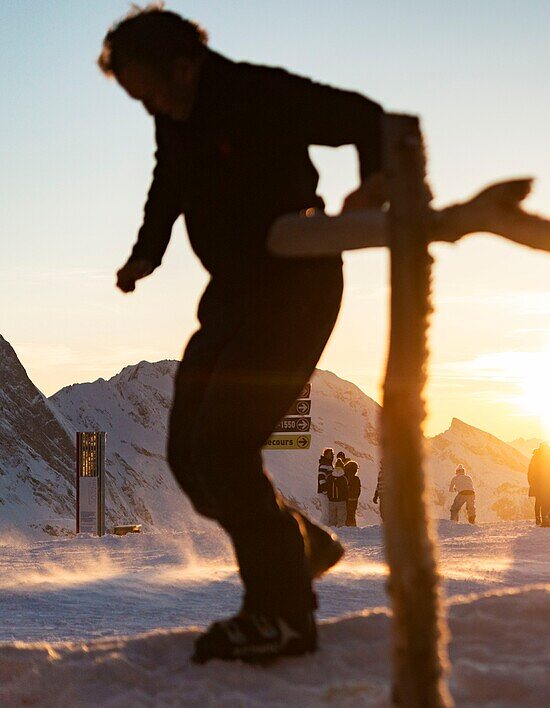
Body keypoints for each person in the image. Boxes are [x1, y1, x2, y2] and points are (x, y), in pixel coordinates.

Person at [101, 6, 386, 662]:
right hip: (231, 295)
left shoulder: (259, 90)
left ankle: (282, 616)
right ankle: (300, 548)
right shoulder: (172, 119)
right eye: (139, 101)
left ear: (183, 64)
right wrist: (146, 255)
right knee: (189, 453)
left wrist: (372, 189)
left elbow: (366, 116)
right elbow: (166, 186)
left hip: (295, 280)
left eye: (153, 92)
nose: (154, 110)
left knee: (224, 445)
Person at [528, 444, 550, 526]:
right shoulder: (545, 457)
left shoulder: (535, 457)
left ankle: (539, 518)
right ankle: (547, 519)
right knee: (546, 500)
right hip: (544, 482)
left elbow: (530, 470)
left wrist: (531, 482)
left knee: (539, 501)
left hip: (536, 482)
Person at [328, 461, 348, 526]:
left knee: (332, 520)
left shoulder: (330, 477)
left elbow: (326, 487)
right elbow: (346, 489)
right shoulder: (344, 478)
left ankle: (331, 533)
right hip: (341, 501)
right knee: (341, 520)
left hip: (331, 501)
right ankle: (340, 533)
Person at [344, 461, 361, 526]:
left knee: (347, 513)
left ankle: (347, 526)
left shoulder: (345, 478)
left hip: (347, 499)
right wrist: (356, 496)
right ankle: (352, 525)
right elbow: (358, 490)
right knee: (352, 513)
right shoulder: (356, 478)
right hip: (354, 499)